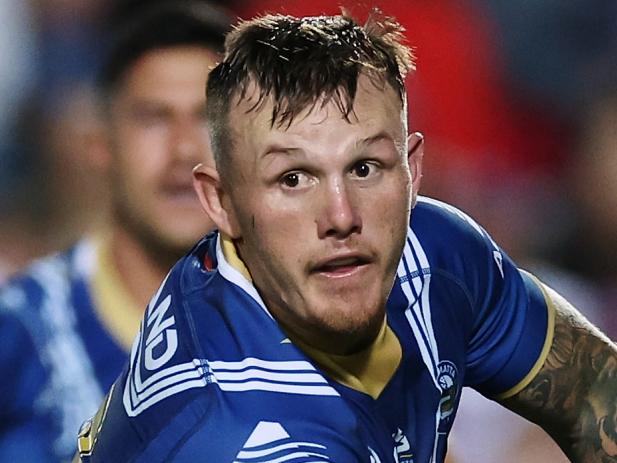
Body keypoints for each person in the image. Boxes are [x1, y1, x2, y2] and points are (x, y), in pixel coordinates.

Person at [76, 11, 617, 463]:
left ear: (411, 171)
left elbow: (595, 391)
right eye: (293, 178)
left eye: (365, 167)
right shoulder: (239, 435)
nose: (341, 215)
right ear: (222, 203)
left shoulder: (437, 253)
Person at [0, 2, 231, 461]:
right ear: (100, 145)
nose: (184, 148)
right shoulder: (17, 334)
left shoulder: (310, 332)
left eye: (209, 118)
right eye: (153, 117)